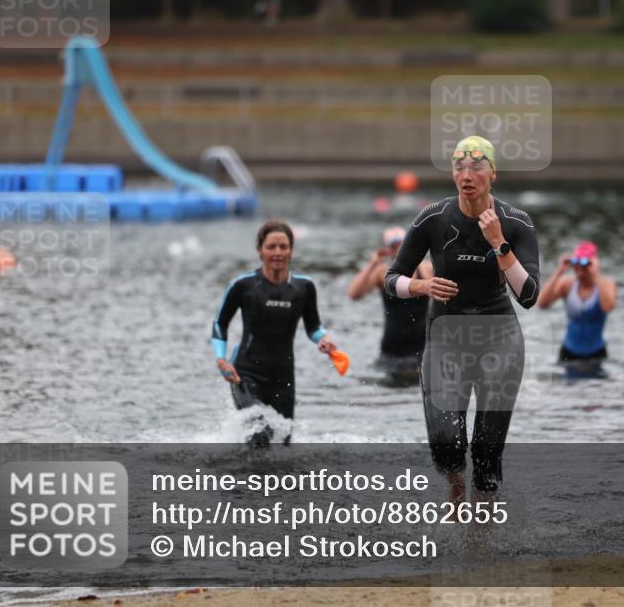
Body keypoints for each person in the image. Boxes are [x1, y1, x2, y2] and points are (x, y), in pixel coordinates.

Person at [384, 135, 540, 503]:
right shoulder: (432, 218)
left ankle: (481, 538)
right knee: (447, 443)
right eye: (459, 166)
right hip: (446, 336)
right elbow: (392, 279)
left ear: (493, 173)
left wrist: (499, 243)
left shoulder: (516, 222)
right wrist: (421, 288)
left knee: (486, 453)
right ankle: (456, 492)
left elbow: (529, 296)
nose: (466, 174)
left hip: (499, 335)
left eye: (476, 166)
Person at [212, 220, 338, 445]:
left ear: (291, 250)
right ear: (260, 250)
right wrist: (221, 360)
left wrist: (324, 340)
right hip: (245, 374)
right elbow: (220, 324)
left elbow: (314, 327)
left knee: (283, 444)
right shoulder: (243, 285)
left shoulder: (304, 288)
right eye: (271, 247)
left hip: (283, 377)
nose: (277, 252)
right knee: (260, 432)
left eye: (283, 247)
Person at [347, 226, 432, 383]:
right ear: (387, 250)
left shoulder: (426, 270)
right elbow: (354, 294)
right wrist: (372, 264)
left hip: (422, 350)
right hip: (392, 351)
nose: (399, 249)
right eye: (394, 245)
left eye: (402, 243)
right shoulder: (382, 273)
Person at [537, 241, 616, 364]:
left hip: (596, 354)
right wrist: (559, 271)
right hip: (569, 353)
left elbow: (608, 307)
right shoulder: (567, 285)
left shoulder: (606, 284)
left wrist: (596, 275)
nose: (579, 273)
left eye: (584, 269)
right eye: (576, 268)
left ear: (593, 266)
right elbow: (542, 303)